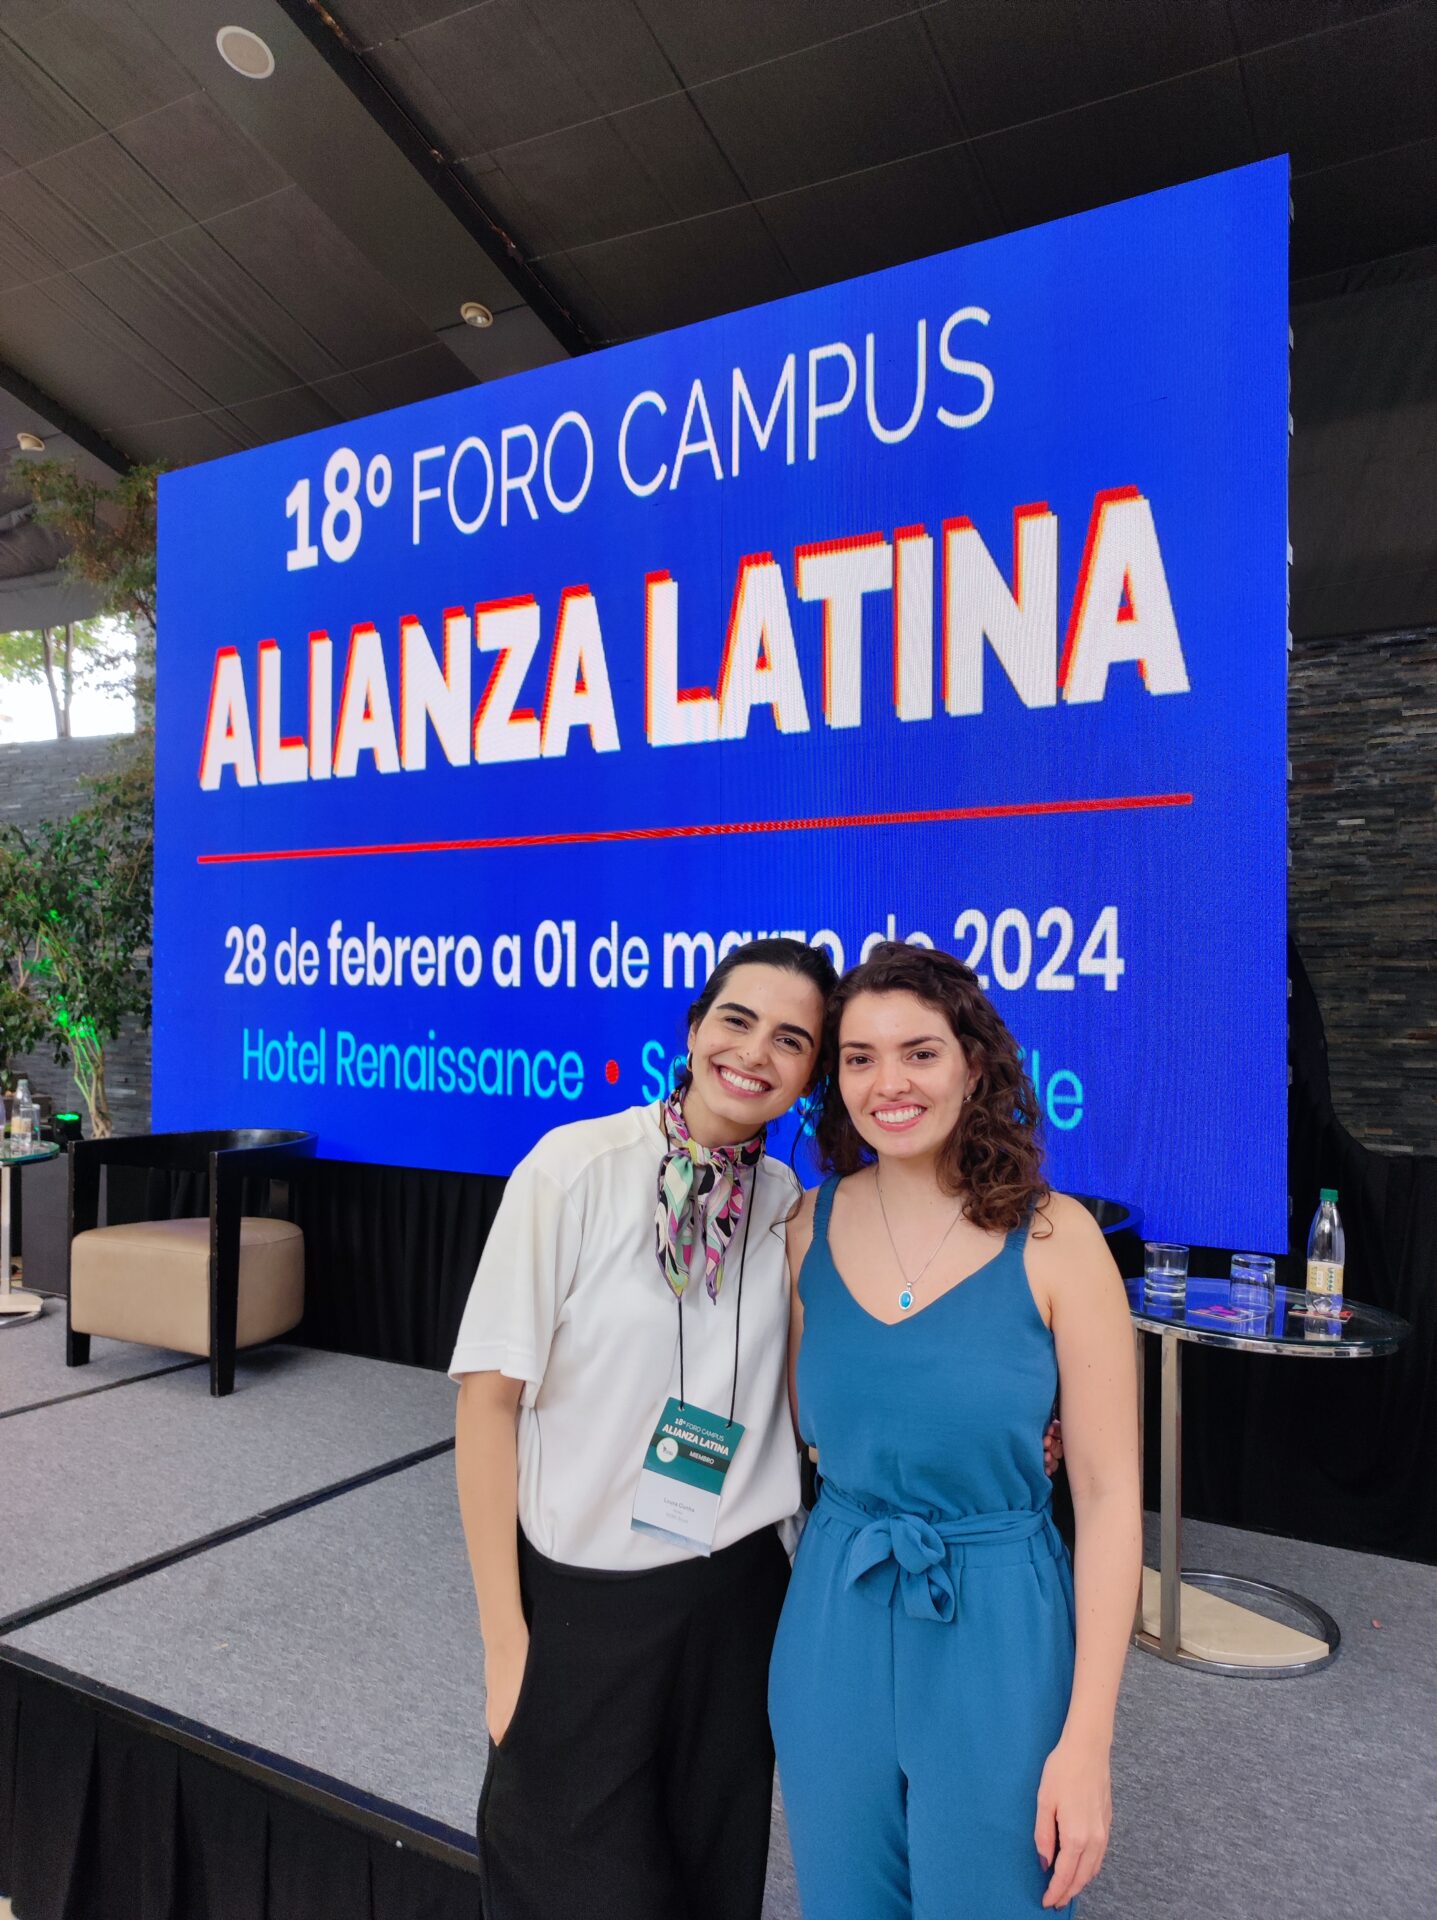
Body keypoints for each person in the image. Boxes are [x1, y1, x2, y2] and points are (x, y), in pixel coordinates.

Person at [450, 936, 837, 1920]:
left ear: (812, 1076)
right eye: (737, 1021)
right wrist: (504, 1642)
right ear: (695, 1029)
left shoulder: (789, 1213)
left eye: (791, 1040)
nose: (755, 1053)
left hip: (735, 1602)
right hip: (584, 1606)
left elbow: (816, 1405)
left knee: (710, 1883)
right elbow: (486, 1407)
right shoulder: (574, 1169)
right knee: (567, 1884)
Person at [770, 941, 1140, 1918]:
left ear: (974, 1066)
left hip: (998, 1619)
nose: (887, 1083)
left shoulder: (1057, 1241)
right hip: (833, 1613)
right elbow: (808, 1426)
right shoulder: (805, 1225)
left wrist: (1089, 1742)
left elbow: (1109, 1501)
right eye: (859, 1058)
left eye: (919, 1052)